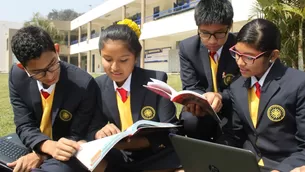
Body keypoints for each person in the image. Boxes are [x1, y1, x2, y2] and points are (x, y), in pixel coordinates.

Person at [87, 19, 182, 172]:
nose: (114, 67)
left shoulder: (156, 81)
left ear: (136, 56)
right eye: (107, 59)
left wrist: (133, 143)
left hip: (152, 155)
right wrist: (99, 132)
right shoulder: (97, 86)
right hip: (117, 155)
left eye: (123, 60)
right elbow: (90, 128)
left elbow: (171, 130)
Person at [7, 25, 98, 172]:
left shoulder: (84, 85)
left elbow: (77, 134)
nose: (50, 76)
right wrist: (45, 147)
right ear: (22, 67)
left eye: (52, 65)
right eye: (38, 72)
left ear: (57, 49)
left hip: (67, 151)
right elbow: (24, 124)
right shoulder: (17, 77)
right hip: (32, 143)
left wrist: (42, 155)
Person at [218, 18, 305, 172]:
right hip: (247, 163)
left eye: (249, 57)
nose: (240, 62)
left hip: (283, 166)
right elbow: (235, 135)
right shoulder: (237, 86)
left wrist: (283, 169)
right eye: (236, 53)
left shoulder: (298, 84)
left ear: (273, 55)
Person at [178, 0, 239, 141]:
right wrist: (200, 100)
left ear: (229, 26)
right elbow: (190, 85)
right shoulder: (187, 48)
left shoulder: (239, 47)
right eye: (205, 33)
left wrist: (220, 97)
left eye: (219, 34)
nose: (212, 41)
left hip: (232, 104)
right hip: (202, 107)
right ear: (198, 28)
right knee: (189, 121)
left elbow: (244, 86)